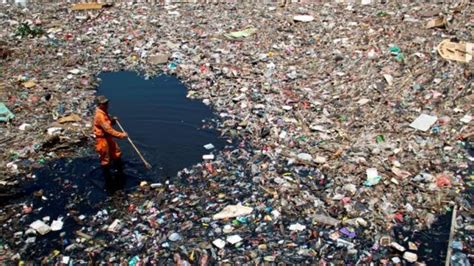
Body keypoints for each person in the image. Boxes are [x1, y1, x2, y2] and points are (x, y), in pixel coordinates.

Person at [93, 95, 127, 180]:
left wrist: (112, 120)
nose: (106, 105)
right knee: (105, 158)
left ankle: (119, 169)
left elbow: (108, 125)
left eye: (106, 103)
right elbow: (108, 130)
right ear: (99, 104)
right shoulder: (99, 115)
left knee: (116, 152)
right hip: (102, 139)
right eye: (104, 104)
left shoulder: (104, 112)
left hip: (107, 137)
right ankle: (107, 177)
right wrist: (121, 135)